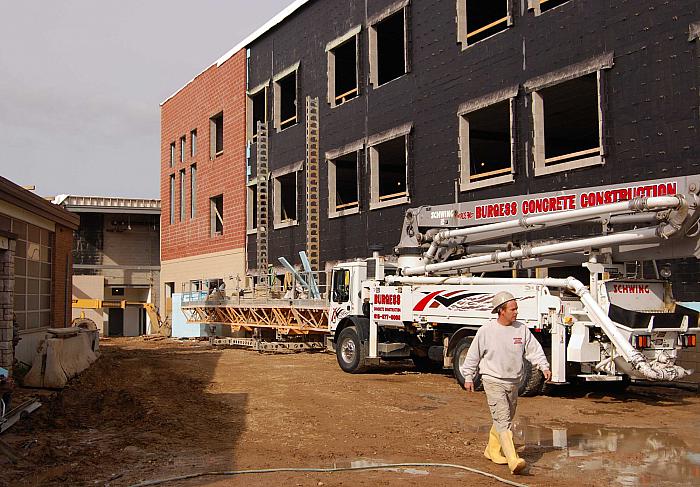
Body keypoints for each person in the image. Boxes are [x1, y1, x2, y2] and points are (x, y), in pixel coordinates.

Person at [460, 291, 551, 475]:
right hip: (492, 380)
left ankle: (492, 450)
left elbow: (534, 350)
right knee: (503, 419)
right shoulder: (486, 331)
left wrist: (544, 366)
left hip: (513, 383)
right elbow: (473, 355)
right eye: (513, 309)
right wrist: (468, 376)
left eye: (516, 308)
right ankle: (512, 460)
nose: (516, 312)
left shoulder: (521, 329)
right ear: (501, 311)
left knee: (504, 419)